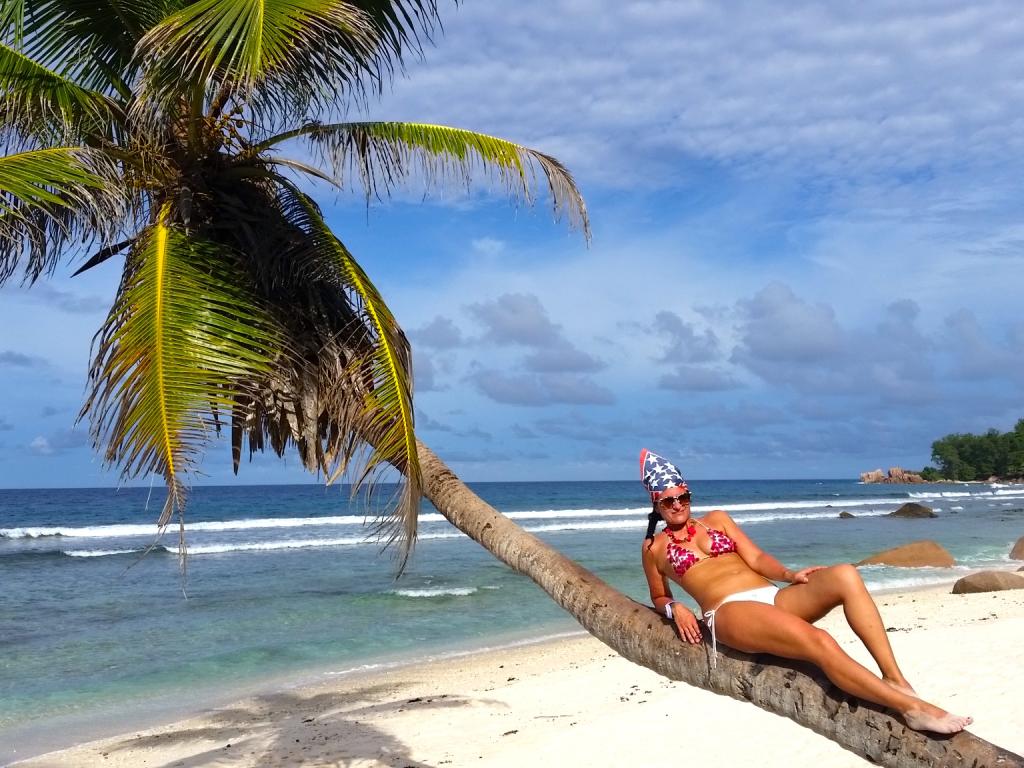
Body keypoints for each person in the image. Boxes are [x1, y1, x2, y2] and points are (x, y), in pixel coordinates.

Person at [638, 448, 972, 734]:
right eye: (669, 501)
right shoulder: (654, 547)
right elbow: (658, 596)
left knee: (844, 574)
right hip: (729, 611)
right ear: (657, 503)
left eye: (683, 496)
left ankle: (895, 678)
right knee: (821, 641)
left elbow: (755, 557)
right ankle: (911, 709)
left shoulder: (718, 519)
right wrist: (675, 608)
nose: (678, 504)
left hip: (771, 596)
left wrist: (788, 574)